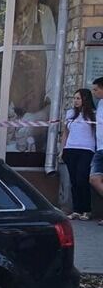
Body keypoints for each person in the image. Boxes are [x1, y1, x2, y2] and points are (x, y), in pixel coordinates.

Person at [61, 88, 96, 221]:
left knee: (82, 178)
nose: (75, 101)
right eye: (74, 98)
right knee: (74, 181)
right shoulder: (70, 113)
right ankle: (77, 210)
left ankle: (87, 209)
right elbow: (65, 132)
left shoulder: (93, 114)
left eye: (78, 98)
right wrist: (62, 150)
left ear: (85, 99)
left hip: (86, 150)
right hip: (71, 149)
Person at [89, 77, 103, 223]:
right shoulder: (100, 103)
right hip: (100, 148)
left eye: (96, 89)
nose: (94, 92)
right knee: (94, 179)